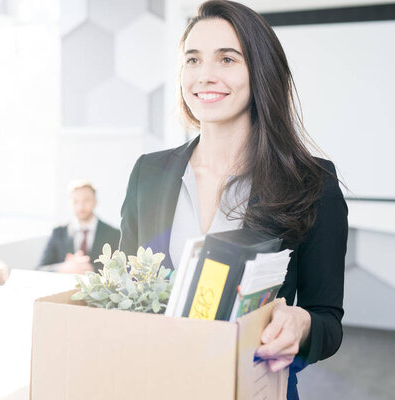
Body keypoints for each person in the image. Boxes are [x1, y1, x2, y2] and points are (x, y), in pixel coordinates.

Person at [118, 1, 347, 399]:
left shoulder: (312, 183)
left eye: (227, 58)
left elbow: (328, 321)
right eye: (192, 60)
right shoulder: (148, 174)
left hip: (256, 387)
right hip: (155, 383)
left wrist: (299, 323)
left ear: (259, 71)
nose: (205, 75)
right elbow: (124, 292)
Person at [39, 180, 120, 273]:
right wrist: (63, 268)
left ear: (95, 201)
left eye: (86, 200)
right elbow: (40, 269)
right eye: (75, 201)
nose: (81, 206)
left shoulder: (114, 234)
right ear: (70, 203)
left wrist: (92, 270)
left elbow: (121, 270)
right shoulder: (58, 232)